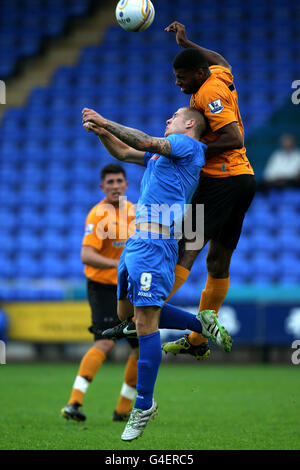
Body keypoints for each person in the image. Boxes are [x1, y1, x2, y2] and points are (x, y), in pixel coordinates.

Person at [82, 105, 232, 441]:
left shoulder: (189, 146)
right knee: (124, 318)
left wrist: (107, 119)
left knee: (145, 325)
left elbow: (148, 141)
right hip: (136, 243)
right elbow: (125, 150)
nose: (168, 120)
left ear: (189, 124)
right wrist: (103, 133)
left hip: (156, 244)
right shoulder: (163, 158)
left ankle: (143, 404)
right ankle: (199, 323)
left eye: (174, 117)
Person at [157, 21, 256, 358]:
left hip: (222, 179)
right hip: (242, 179)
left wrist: (193, 150)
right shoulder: (218, 77)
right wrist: (186, 44)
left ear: (198, 74)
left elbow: (234, 137)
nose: (177, 82)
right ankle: (198, 343)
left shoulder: (208, 94)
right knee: (217, 263)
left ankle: (145, 311)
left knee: (186, 246)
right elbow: (223, 61)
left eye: (181, 76)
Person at [61, 164, 139, 423]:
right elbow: (86, 255)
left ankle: (123, 409)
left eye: (119, 181)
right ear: (102, 187)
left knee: (142, 349)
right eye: (110, 182)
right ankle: (74, 403)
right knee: (104, 343)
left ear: (127, 185)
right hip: (104, 287)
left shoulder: (135, 212)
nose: (116, 185)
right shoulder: (97, 214)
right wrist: (118, 266)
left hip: (130, 288)